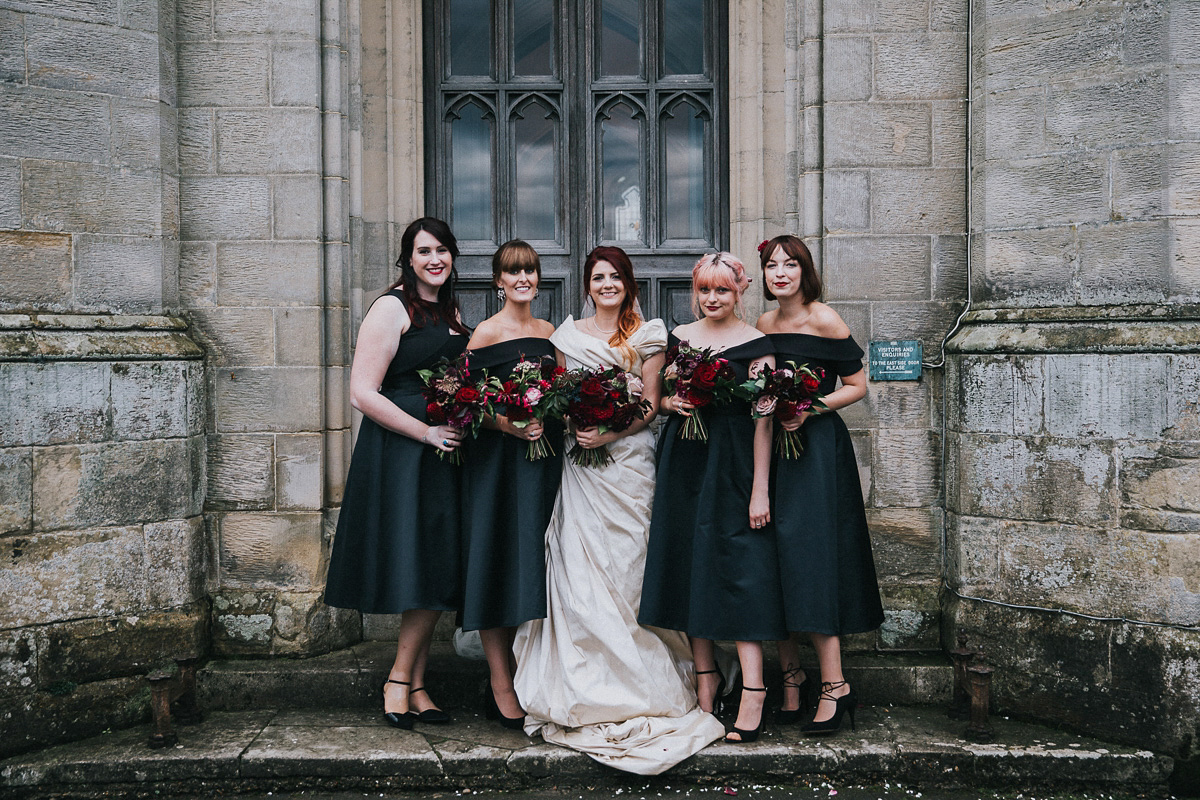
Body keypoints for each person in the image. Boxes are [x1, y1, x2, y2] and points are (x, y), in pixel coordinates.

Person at [512, 246, 725, 774]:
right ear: (587, 284)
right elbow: (558, 399)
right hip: (582, 468)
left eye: (615, 277)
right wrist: (576, 427)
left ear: (629, 283)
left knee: (629, 570)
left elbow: (650, 405)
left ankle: (648, 681)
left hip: (630, 464)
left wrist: (610, 428)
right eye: (598, 277)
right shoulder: (565, 338)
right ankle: (586, 682)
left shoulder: (648, 335)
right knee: (580, 572)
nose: (607, 284)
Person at [324, 217, 470, 730]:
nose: (434, 258)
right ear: (408, 258)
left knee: (434, 567)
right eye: (423, 250)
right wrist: (424, 433)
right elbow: (363, 392)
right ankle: (399, 681)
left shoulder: (449, 311)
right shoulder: (390, 307)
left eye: (442, 250)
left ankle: (417, 683)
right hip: (405, 451)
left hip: (444, 454)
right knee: (418, 564)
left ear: (453, 256)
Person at [639, 252, 787, 744]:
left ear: (739, 291)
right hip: (685, 459)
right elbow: (654, 398)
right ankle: (707, 678)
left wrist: (760, 488)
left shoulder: (759, 345)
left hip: (736, 464)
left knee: (742, 569)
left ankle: (755, 690)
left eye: (722, 290)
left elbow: (764, 421)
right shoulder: (678, 338)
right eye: (704, 290)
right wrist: (669, 402)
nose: (712, 299)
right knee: (690, 565)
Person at [755, 234, 884, 735]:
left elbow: (857, 386)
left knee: (812, 559)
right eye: (771, 265)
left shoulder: (825, 319)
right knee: (772, 558)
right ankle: (792, 677)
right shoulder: (764, 324)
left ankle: (835, 685)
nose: (780, 272)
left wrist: (809, 408)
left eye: (790, 264)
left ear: (804, 272)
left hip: (817, 455)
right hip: (774, 453)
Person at [461, 240, 561, 730]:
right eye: (512, 272)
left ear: (538, 280)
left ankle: (535, 675)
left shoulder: (548, 332)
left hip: (543, 465)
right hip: (498, 467)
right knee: (498, 564)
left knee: (537, 568)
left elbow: (560, 393)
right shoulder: (485, 332)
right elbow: (465, 402)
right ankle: (501, 683)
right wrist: (508, 425)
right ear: (498, 281)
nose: (523, 279)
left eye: (530, 271)